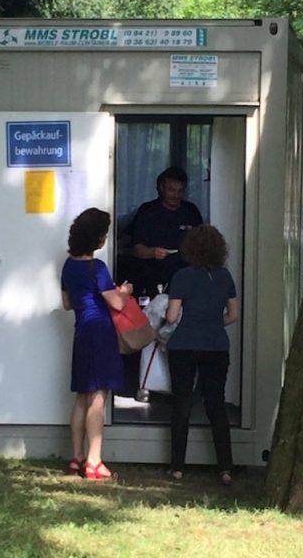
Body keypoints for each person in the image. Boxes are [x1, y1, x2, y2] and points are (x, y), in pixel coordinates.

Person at [61, 208, 133, 480]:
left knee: (81, 395)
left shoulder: (68, 266)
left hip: (82, 331)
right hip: (100, 332)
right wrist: (124, 292)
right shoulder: (97, 268)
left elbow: (67, 303)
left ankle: (76, 457)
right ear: (98, 239)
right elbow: (115, 302)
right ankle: (94, 461)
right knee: (98, 398)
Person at [165, 225, 238, 486]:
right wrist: (213, 322)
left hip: (184, 344)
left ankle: (177, 467)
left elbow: (172, 316)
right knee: (216, 405)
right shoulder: (225, 277)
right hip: (217, 344)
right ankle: (225, 467)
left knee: (182, 403)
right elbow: (233, 315)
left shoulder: (182, 276)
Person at [131, 166, 203, 297]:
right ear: (161, 188)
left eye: (180, 191)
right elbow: (136, 249)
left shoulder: (191, 211)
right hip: (153, 279)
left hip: (187, 278)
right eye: (171, 190)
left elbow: (204, 244)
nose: (176, 196)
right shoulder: (147, 212)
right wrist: (152, 252)